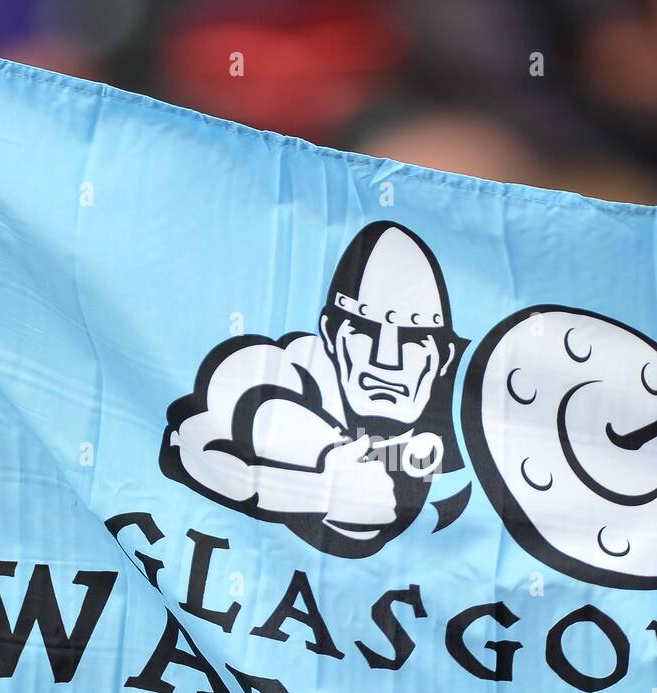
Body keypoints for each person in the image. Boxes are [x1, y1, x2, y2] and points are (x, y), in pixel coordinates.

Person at [162, 222, 465, 557]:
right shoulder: (279, 373)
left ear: (445, 357)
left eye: (412, 338)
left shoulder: (477, 418)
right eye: (364, 329)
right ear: (331, 335)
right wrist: (320, 488)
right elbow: (189, 444)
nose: (387, 359)